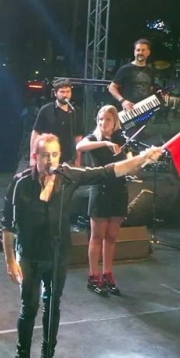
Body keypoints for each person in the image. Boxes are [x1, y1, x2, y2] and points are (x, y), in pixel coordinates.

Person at [2, 133, 163, 358]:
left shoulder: (68, 177)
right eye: (45, 155)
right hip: (29, 255)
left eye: (54, 155)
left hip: (57, 254)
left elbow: (108, 171)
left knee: (52, 306)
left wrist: (142, 158)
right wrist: (10, 261)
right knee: (29, 307)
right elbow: (8, 226)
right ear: (35, 156)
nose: (50, 160)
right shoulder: (20, 183)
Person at [75, 106, 130, 296]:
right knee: (97, 236)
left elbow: (130, 164)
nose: (103, 123)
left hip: (119, 191)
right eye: (100, 119)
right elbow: (79, 147)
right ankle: (94, 276)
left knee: (112, 237)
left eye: (107, 119)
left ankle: (107, 274)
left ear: (115, 121)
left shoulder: (121, 139)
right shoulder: (93, 138)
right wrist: (105, 143)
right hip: (100, 190)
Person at [30, 79, 84, 166]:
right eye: (62, 92)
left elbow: (78, 136)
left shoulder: (75, 111)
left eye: (68, 92)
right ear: (55, 93)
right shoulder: (46, 110)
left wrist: (78, 158)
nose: (65, 95)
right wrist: (32, 157)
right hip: (48, 156)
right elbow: (36, 132)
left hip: (68, 159)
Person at [108, 39, 156, 114]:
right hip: (128, 111)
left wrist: (158, 95)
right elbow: (112, 87)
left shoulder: (151, 71)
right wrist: (123, 101)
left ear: (148, 52)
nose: (140, 52)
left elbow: (150, 89)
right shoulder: (125, 69)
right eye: (138, 50)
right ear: (134, 52)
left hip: (145, 110)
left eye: (143, 50)